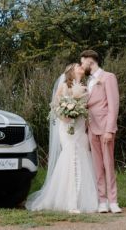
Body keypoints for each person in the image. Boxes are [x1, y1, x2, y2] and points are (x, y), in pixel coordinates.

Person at [25, 63, 99, 213]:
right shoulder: (64, 86)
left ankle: (83, 198)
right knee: (71, 156)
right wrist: (65, 116)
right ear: (71, 71)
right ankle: (70, 202)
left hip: (79, 127)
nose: (81, 67)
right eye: (78, 66)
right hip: (66, 127)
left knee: (83, 157)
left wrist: (81, 118)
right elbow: (55, 106)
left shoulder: (85, 87)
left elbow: (86, 109)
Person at [79, 49, 121, 213]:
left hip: (105, 127)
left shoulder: (108, 78)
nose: (82, 66)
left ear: (90, 61)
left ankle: (113, 201)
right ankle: (102, 201)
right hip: (91, 128)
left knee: (108, 164)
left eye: (83, 62)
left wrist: (109, 130)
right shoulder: (88, 81)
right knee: (97, 166)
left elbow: (113, 105)